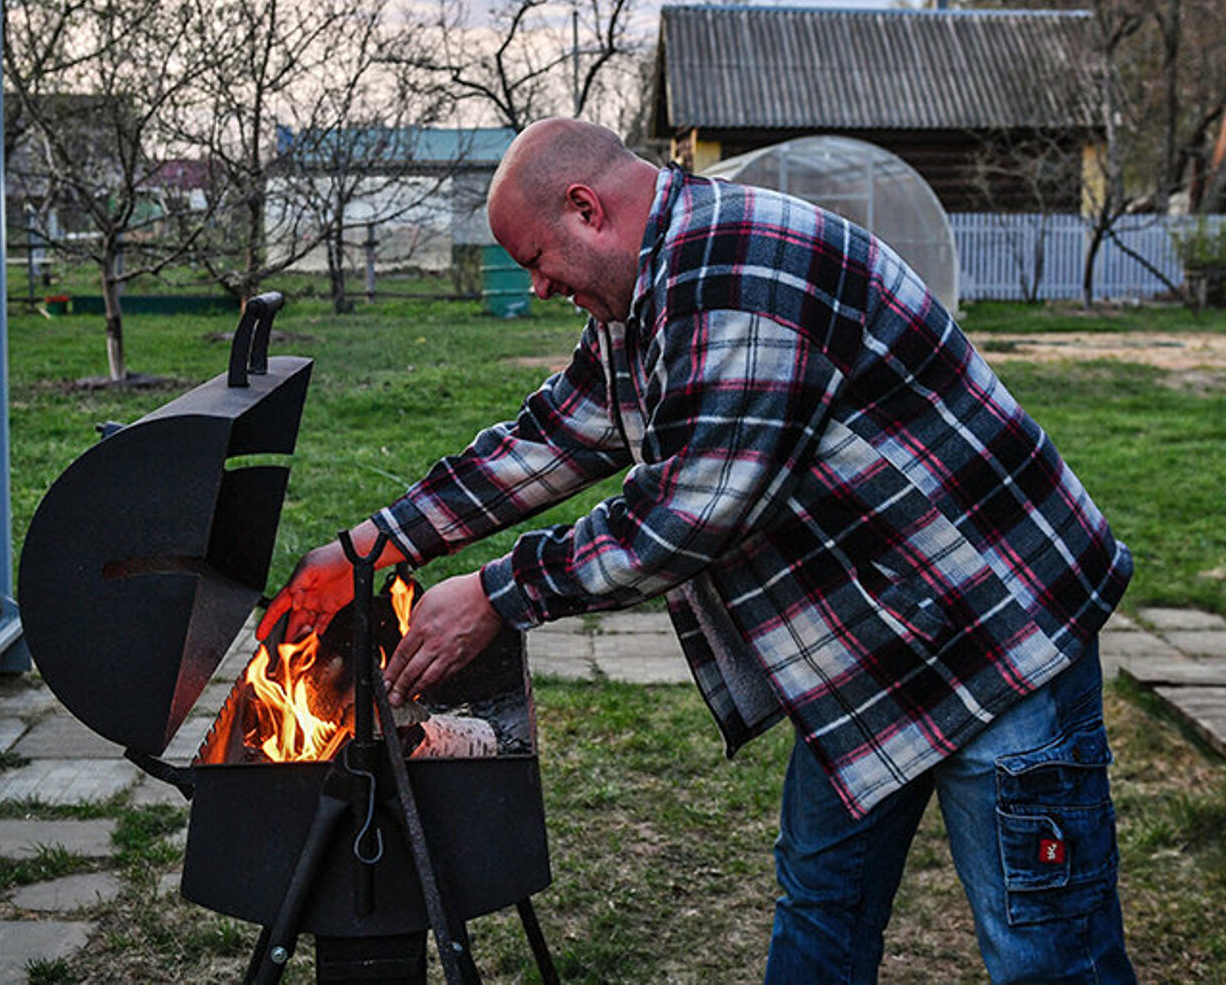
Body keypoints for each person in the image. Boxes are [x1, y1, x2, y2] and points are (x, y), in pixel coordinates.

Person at [260, 117, 1137, 983]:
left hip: (998, 634)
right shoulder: (654, 284)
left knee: (1046, 951)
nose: (538, 288)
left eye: (537, 261)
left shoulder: (742, 272)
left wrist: (496, 595)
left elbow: (687, 514)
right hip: (879, 646)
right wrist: (374, 542)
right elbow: (558, 433)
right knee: (821, 904)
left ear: (585, 209)